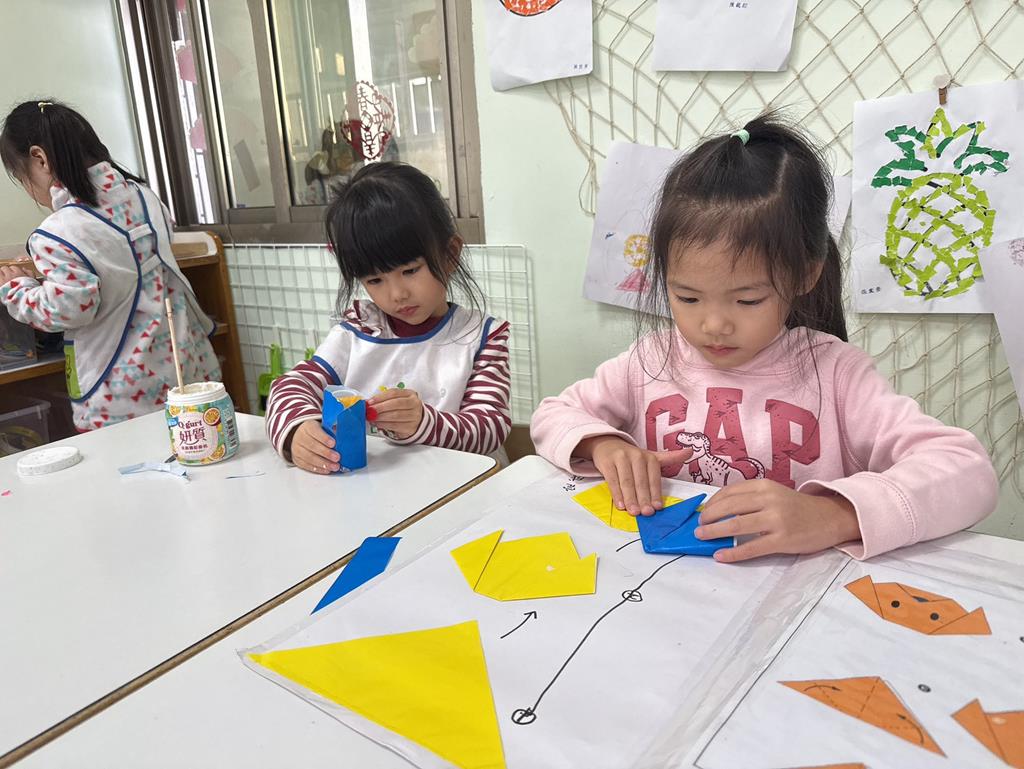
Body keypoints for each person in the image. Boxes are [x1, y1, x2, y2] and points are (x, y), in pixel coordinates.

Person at [530, 113, 997, 562]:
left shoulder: (837, 374)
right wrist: (602, 445)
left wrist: (833, 514)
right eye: (687, 297)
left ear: (805, 275)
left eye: (747, 300)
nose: (714, 324)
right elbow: (552, 414)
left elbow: (967, 471)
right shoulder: (650, 359)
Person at [266, 162, 511, 472]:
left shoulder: (481, 336)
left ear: (450, 255)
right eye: (375, 280)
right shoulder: (358, 330)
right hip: (381, 489)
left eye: (410, 271)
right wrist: (297, 431)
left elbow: (490, 426)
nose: (397, 294)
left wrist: (424, 423)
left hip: (466, 485)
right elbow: (290, 386)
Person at [0, 99, 220, 431]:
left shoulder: (58, 232)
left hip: (120, 395)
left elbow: (66, 310)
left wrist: (17, 287)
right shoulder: (147, 198)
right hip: (187, 370)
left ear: (40, 159)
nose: (30, 191)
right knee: (196, 452)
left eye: (22, 177)